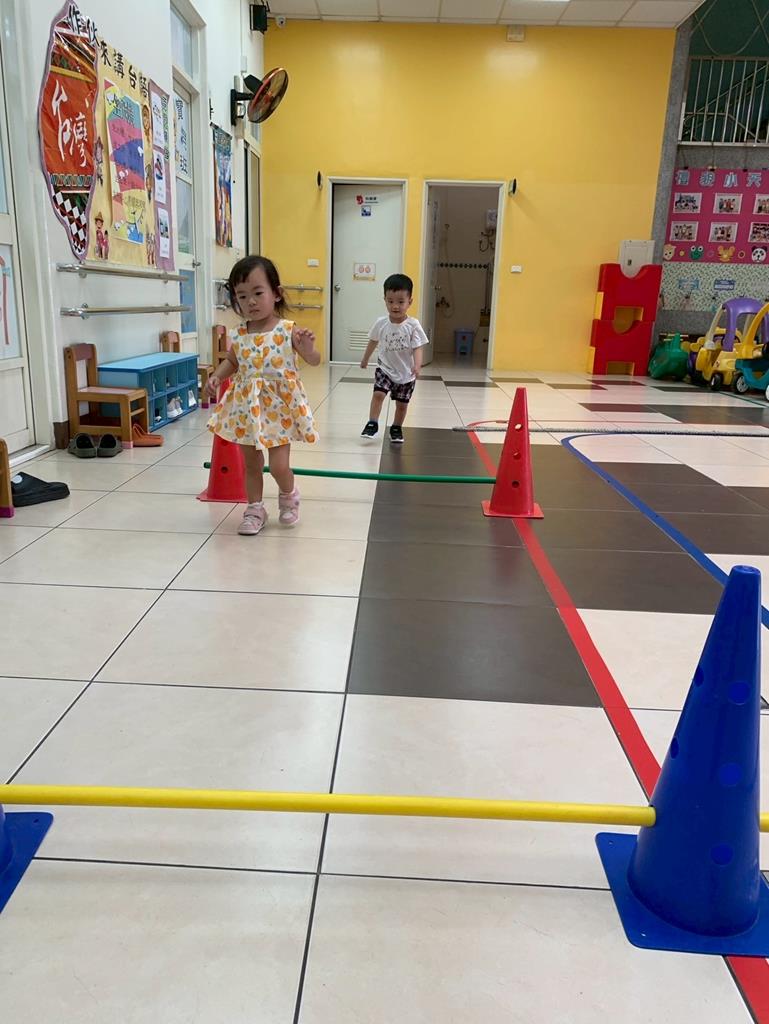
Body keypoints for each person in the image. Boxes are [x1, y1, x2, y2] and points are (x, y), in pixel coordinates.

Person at [207, 255, 320, 536]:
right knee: (252, 464)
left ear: (276, 293)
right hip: (246, 409)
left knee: (279, 466)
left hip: (278, 410)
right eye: (242, 296)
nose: (251, 302)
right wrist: (217, 376)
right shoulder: (239, 334)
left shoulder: (287, 330)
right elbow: (232, 361)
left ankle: (289, 495)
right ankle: (255, 509)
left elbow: (314, 360)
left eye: (258, 293)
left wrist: (307, 348)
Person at [360, 273, 429, 443]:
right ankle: (372, 422)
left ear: (409, 302)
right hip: (385, 368)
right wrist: (365, 359)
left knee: (402, 404)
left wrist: (417, 366)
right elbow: (373, 341)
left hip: (406, 373)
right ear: (384, 300)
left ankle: (396, 427)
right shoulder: (381, 323)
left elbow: (418, 347)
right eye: (390, 301)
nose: (395, 306)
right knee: (378, 394)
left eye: (400, 302)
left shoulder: (413, 325)